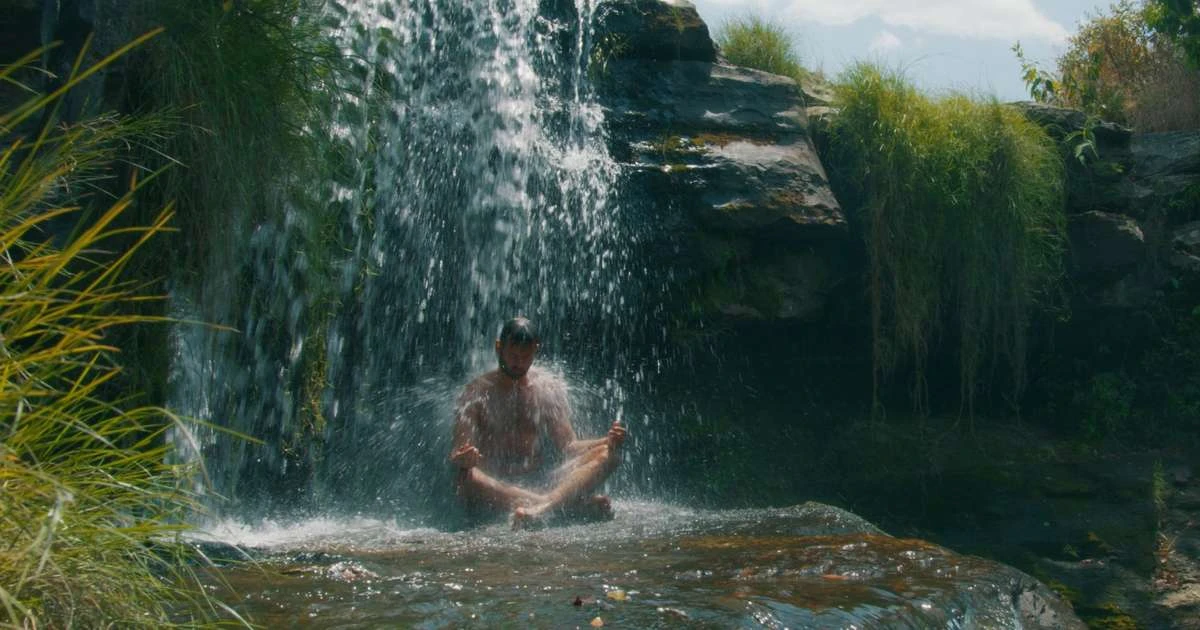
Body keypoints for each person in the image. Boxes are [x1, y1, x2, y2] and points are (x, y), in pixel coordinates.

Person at [450, 316, 625, 528]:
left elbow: (568, 447)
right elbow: (459, 452)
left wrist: (607, 440)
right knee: (467, 478)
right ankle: (563, 506)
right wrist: (464, 458)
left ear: (535, 351)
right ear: (498, 348)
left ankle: (545, 508)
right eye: (513, 355)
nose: (518, 362)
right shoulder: (475, 393)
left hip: (538, 481)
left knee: (610, 455)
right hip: (495, 485)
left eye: (525, 356)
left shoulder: (545, 389)